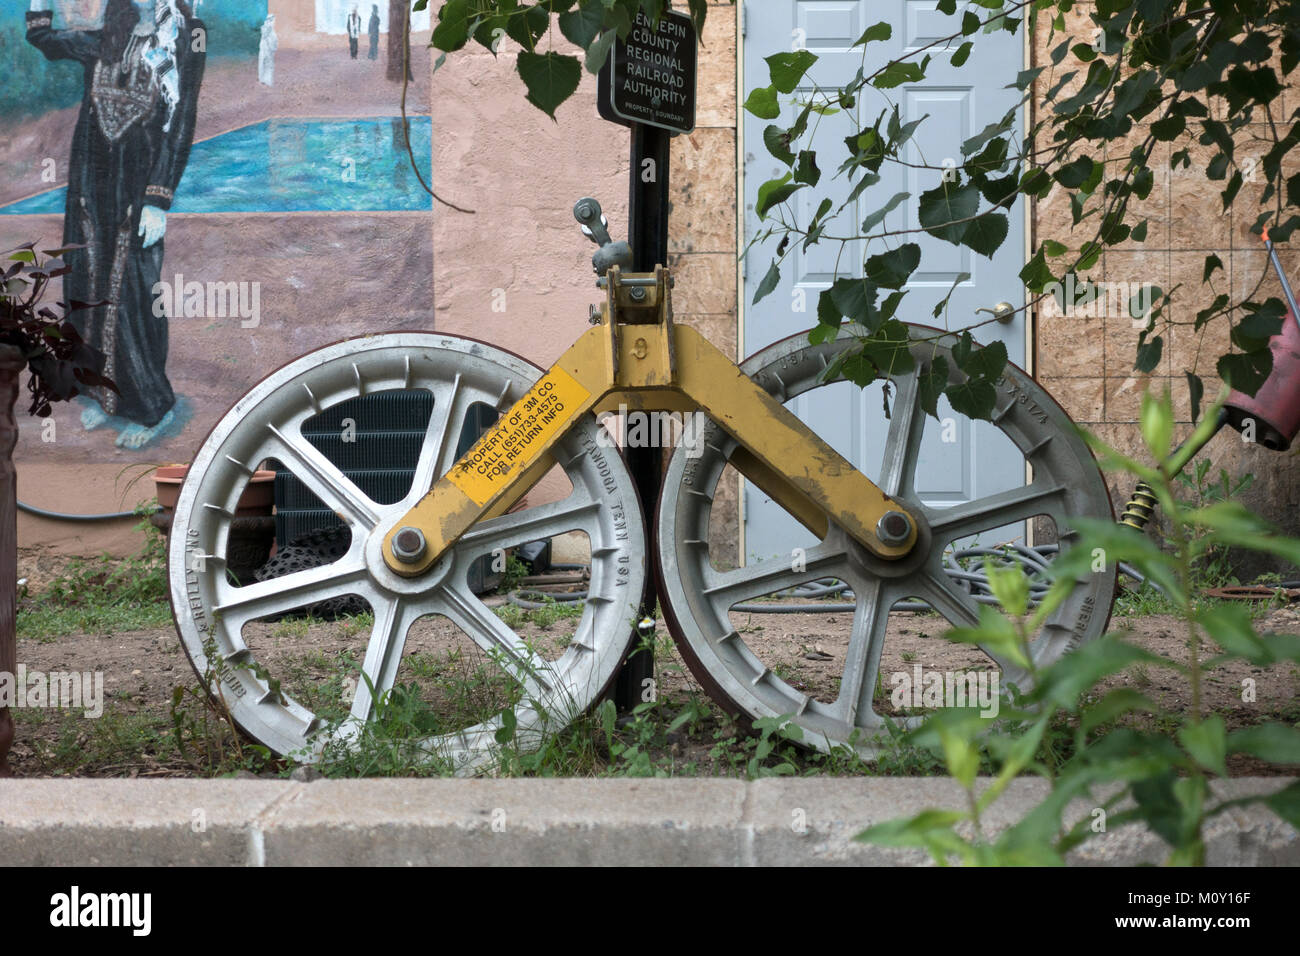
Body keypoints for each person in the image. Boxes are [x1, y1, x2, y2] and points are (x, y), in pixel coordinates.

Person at [26, 0, 205, 449]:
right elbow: (44, 39)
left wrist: (158, 199)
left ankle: (151, 407)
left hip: (138, 191)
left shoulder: (186, 36)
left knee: (134, 294)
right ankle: (104, 396)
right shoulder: (108, 36)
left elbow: (180, 123)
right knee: (86, 285)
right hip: (91, 184)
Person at [258, 12, 276, 86]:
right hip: (266, 48)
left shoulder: (267, 28)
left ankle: (264, 79)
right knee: (266, 63)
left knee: (266, 62)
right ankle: (264, 80)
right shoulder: (267, 28)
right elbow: (266, 36)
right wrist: (271, 47)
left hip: (266, 48)